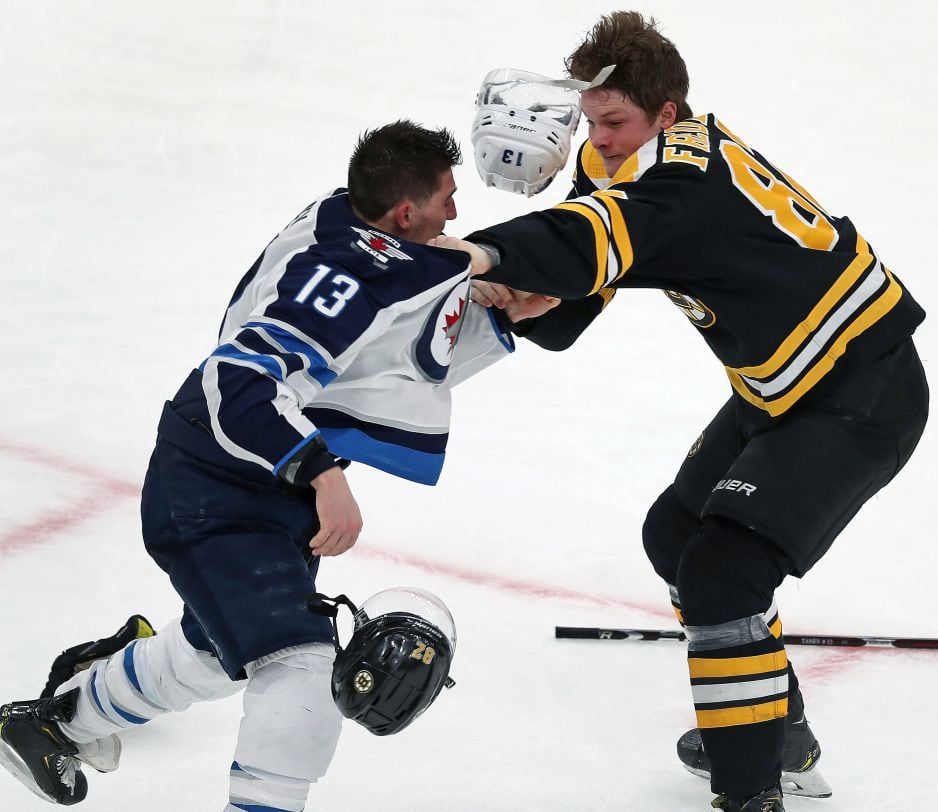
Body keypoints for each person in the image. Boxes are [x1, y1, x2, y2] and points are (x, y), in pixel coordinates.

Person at [440, 12, 930, 811]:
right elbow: (576, 284)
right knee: (675, 535)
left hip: (862, 392)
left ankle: (750, 792)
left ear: (666, 114)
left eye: (615, 123)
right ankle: (776, 734)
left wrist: (477, 252)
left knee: (724, 569)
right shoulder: (631, 161)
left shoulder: (682, 179)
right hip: (784, 387)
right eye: (591, 122)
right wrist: (524, 297)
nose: (597, 141)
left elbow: (597, 237)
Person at [0, 120, 556, 810]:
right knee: (300, 665)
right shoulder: (351, 276)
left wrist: (501, 319)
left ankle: (56, 722)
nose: (455, 216)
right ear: (405, 213)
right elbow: (235, 381)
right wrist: (321, 473)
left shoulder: (346, 219)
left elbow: (382, 356)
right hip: (216, 482)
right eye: (446, 199)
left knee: (212, 650)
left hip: (256, 486)